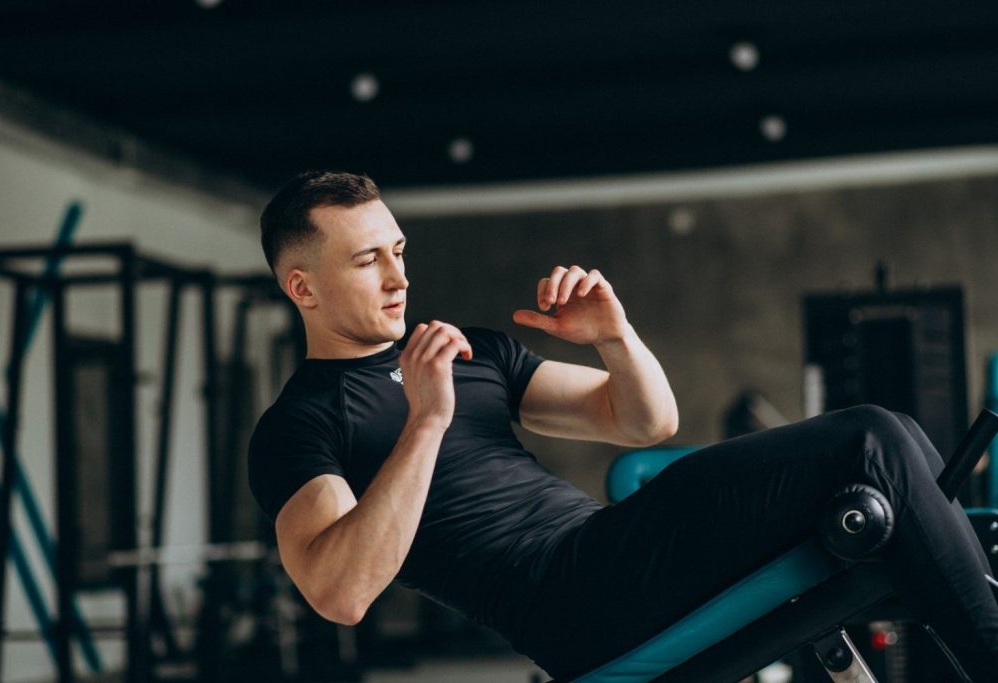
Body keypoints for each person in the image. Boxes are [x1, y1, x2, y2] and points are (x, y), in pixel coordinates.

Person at [248, 170, 998, 681]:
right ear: (303, 286)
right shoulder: (300, 424)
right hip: (569, 602)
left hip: (613, 550)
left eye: (400, 251)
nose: (399, 276)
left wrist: (614, 335)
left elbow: (644, 419)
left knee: (889, 458)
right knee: (871, 438)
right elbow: (340, 592)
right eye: (368, 259)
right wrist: (426, 424)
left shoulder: (470, 351)